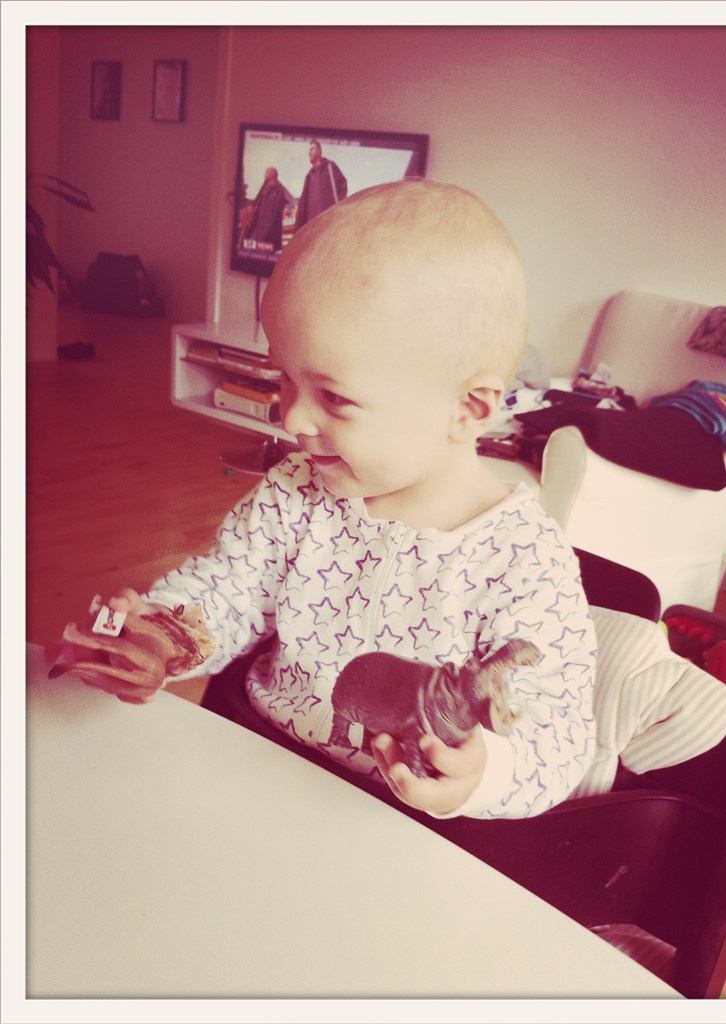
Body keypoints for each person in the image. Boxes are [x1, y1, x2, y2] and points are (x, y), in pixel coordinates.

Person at [59, 180, 597, 821]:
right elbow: (228, 590)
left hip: (402, 823)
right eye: (284, 378)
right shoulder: (296, 492)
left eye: (334, 397)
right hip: (259, 759)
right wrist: (163, 632)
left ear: (468, 410)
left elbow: (557, 735)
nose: (292, 418)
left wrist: (483, 774)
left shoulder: (525, 560)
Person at [294, 139, 347, 229]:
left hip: (328, 223)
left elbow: (342, 185)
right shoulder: (309, 176)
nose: (309, 152)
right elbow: (303, 205)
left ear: (319, 151)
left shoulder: (329, 167)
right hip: (311, 226)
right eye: (309, 150)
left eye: (312, 149)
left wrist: (337, 210)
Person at [237, 167, 294, 251]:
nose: (264, 175)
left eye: (265, 173)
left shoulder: (280, 191)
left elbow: (291, 203)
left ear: (271, 175)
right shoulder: (265, 190)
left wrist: (288, 211)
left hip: (270, 233)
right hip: (259, 230)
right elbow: (257, 205)